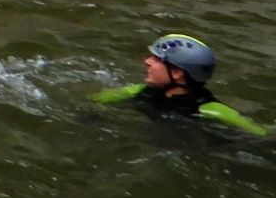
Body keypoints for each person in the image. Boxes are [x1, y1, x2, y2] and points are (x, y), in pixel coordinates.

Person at [91, 33, 267, 135]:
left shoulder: (210, 110)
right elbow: (93, 101)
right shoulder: (139, 91)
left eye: (157, 59)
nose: (147, 61)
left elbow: (260, 134)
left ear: (177, 73)